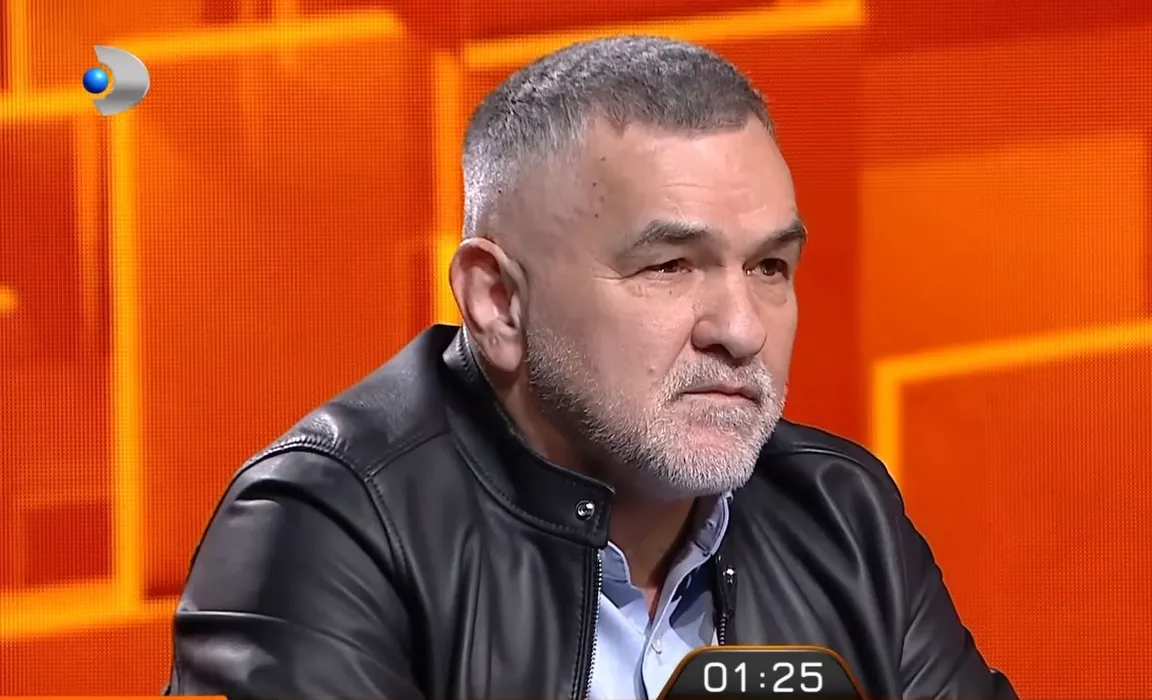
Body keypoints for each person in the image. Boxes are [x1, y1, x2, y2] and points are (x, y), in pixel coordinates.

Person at [165, 36, 1017, 700]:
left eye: (769, 266)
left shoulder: (842, 516)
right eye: (670, 266)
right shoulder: (328, 527)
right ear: (499, 302)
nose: (741, 329)